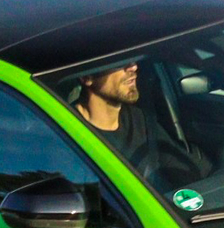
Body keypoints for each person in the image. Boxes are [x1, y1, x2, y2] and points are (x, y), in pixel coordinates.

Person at [71, 59, 201, 188]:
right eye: (119, 61)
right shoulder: (65, 136)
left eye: (132, 59)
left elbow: (183, 168)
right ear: (87, 78)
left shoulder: (139, 118)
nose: (133, 67)